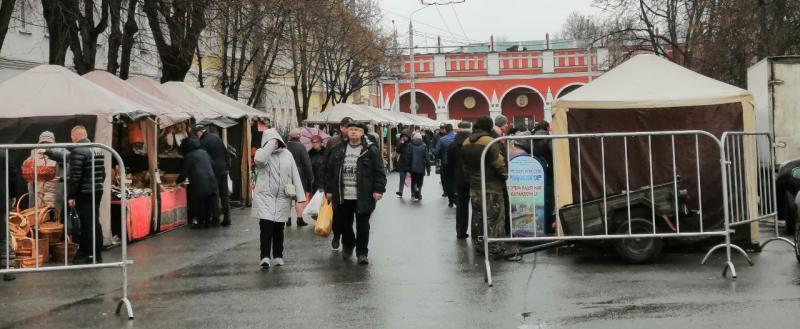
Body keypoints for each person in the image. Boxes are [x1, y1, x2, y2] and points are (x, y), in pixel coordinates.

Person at [325, 122, 386, 265]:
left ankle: (362, 253)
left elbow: (379, 171)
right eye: (351, 129)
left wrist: (378, 190)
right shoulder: (338, 149)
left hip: (363, 194)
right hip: (342, 194)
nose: (353, 132)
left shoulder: (370, 150)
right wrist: (328, 190)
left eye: (357, 130)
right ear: (347, 132)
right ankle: (349, 244)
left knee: (363, 226)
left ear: (362, 133)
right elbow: (330, 170)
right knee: (344, 224)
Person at [461, 117, 520, 261]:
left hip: (475, 187)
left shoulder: (466, 142)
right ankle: (496, 248)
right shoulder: (489, 142)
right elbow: (498, 163)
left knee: (478, 217)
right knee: (495, 218)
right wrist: (505, 175)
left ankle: (480, 244)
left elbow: (464, 167)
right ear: (488, 127)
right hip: (492, 186)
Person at [252, 129, 306, 268]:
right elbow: (259, 161)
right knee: (266, 227)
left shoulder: (287, 154)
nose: (275, 143)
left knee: (278, 228)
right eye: (272, 140)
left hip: (283, 197)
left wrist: (300, 196)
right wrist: (269, 146)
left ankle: (278, 255)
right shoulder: (262, 153)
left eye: (276, 140)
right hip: (265, 197)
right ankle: (264, 257)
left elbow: (295, 174)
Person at [66, 126, 106, 264]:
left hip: (84, 192)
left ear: (74, 137)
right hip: (97, 190)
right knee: (95, 221)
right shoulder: (97, 149)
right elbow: (103, 173)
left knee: (87, 224)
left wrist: (71, 196)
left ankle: (89, 254)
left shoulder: (77, 150)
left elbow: (75, 177)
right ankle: (97, 253)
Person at [323, 117, 353, 250]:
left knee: (348, 216)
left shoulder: (356, 142)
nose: (351, 130)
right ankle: (336, 235)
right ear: (342, 128)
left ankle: (347, 241)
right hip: (335, 185)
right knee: (336, 214)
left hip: (350, 185)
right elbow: (326, 165)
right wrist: (325, 187)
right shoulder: (333, 142)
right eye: (348, 127)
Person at [177, 137, 218, 229]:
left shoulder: (189, 156)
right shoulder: (204, 152)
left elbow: (184, 172)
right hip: (211, 181)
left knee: (199, 204)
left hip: (199, 183)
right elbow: (213, 164)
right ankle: (207, 222)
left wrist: (177, 181)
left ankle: (200, 223)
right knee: (207, 203)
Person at [195, 125, 231, 227]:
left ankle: (215, 219)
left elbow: (205, 160)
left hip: (214, 172)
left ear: (200, 132)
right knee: (224, 196)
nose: (197, 136)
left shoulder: (203, 142)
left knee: (214, 195)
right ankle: (227, 219)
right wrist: (227, 167)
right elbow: (226, 153)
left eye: (197, 134)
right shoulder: (216, 137)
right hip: (223, 169)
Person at [447, 121, 472, 239]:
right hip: (474, 178)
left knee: (461, 206)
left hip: (459, 178)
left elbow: (449, 164)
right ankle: (477, 233)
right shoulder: (474, 142)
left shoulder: (452, 145)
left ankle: (461, 231)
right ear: (470, 129)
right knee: (477, 207)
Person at [285, 128, 313, 227]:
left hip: (286, 174)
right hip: (299, 175)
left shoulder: (285, 146)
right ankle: (299, 219)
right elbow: (306, 163)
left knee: (288, 196)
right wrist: (310, 176)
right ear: (299, 136)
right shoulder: (301, 147)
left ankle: (287, 219)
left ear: (290, 136)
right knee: (299, 197)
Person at [1, 149, 18, 281]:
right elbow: (13, 176)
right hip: (2, 200)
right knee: (4, 234)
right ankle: (9, 267)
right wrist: (13, 195)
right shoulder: (3, 152)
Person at [405, 132, 430, 201]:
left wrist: (407, 167)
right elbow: (427, 158)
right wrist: (428, 169)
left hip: (412, 167)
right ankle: (419, 192)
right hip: (421, 167)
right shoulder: (424, 145)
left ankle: (413, 192)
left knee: (413, 181)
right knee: (420, 181)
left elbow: (408, 157)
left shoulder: (410, 145)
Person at [435, 124, 456, 206]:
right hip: (457, 163)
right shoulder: (457, 138)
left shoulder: (442, 139)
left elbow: (437, 151)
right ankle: (456, 196)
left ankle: (450, 200)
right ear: (452, 129)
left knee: (448, 181)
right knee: (456, 180)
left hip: (446, 163)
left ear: (446, 130)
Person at [394, 130, 411, 198]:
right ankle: (400, 192)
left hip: (409, 164)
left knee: (410, 179)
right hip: (402, 163)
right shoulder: (401, 143)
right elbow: (398, 150)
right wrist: (401, 143)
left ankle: (414, 191)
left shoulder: (411, 144)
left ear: (408, 137)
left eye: (405, 136)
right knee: (401, 177)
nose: (404, 138)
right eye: (403, 136)